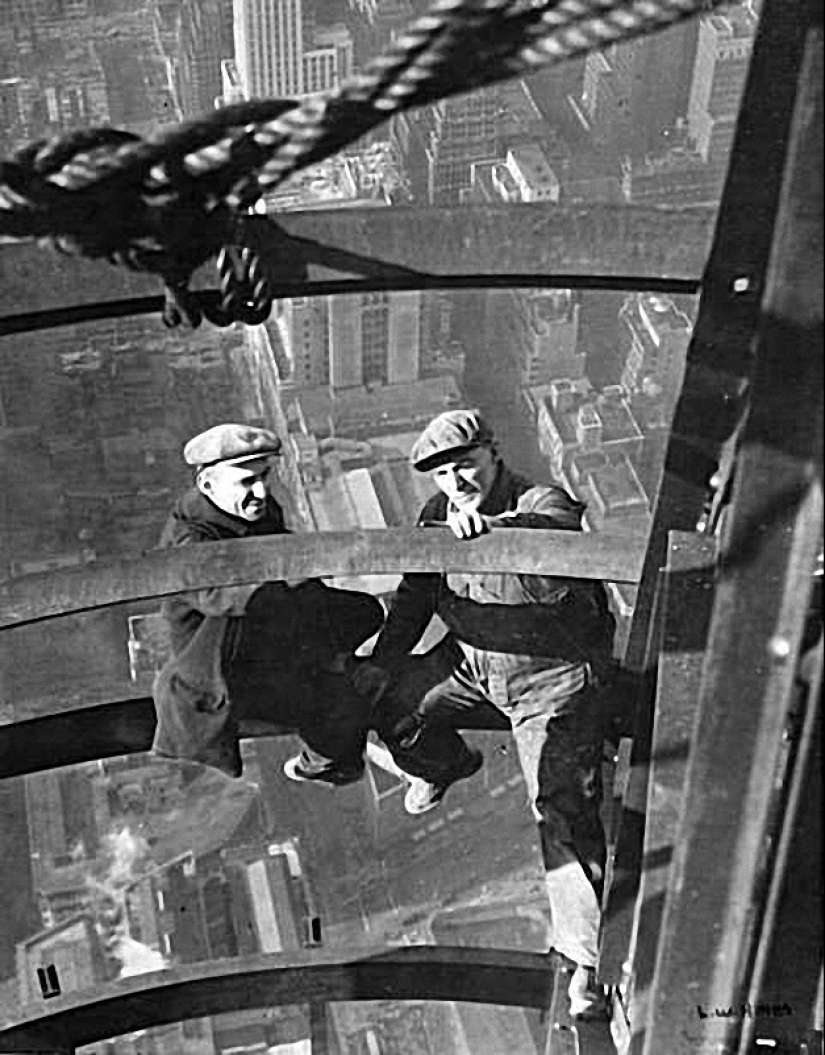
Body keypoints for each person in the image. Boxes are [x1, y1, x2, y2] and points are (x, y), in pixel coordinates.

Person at [358, 409, 617, 1019]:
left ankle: (586, 963)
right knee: (385, 699)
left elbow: (554, 530)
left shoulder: (541, 501)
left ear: (494, 453)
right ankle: (442, 764)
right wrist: (383, 663)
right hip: (472, 665)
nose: (457, 482)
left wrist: (496, 530)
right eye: (443, 473)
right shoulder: (435, 516)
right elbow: (415, 598)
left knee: (560, 809)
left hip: (550, 680)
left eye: (466, 465)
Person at [151, 422, 389, 786]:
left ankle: (333, 728)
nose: (261, 491)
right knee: (336, 694)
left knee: (363, 612)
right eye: (247, 481)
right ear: (208, 485)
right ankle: (325, 759)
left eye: (265, 476)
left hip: (267, 624)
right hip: (222, 662)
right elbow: (235, 597)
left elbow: (286, 562)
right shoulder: (189, 543)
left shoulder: (250, 508)